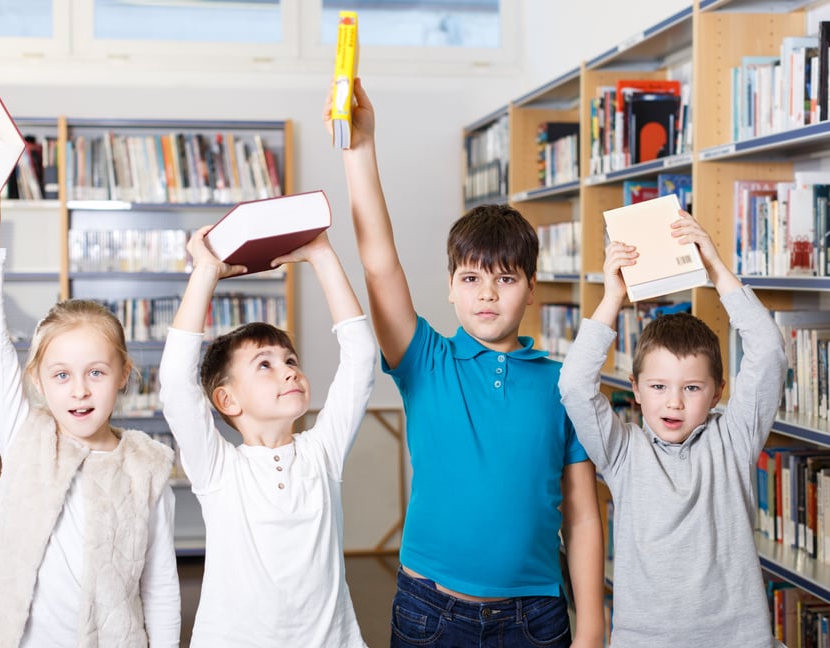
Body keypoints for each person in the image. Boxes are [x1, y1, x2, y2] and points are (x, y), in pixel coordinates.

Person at [328, 79, 604, 647]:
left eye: (506, 280)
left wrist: (593, 624)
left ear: (531, 290)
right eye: (471, 279)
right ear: (451, 290)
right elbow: (380, 265)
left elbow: (581, 515)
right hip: (430, 612)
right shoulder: (425, 360)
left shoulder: (564, 384)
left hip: (538, 615)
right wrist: (360, 150)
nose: (487, 294)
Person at [0, 158, 181, 647]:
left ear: (123, 376)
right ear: (38, 382)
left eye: (96, 373)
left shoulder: (148, 470)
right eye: (62, 375)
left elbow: (161, 591)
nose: (80, 390)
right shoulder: (27, 436)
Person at [558, 211, 787, 647]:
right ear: (636, 390)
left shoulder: (734, 438)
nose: (674, 401)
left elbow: (769, 351)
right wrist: (613, 298)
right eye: (658, 386)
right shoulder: (623, 451)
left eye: (692, 387)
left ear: (719, 391)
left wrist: (717, 269)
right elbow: (573, 385)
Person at [158, 226, 376, 646]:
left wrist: (322, 255)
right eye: (265, 365)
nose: (289, 370)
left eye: (290, 360)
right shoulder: (219, 468)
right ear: (227, 399)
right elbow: (176, 382)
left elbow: (361, 358)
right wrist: (205, 271)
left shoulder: (321, 453)